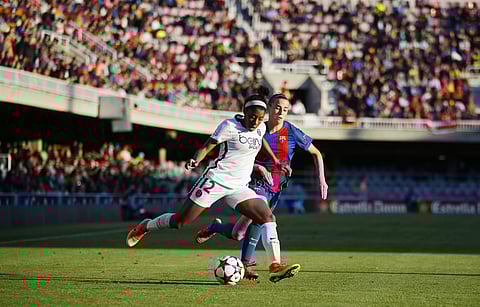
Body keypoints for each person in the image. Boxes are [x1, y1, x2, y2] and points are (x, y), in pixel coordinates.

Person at [126, 88, 301, 283]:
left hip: (239, 186)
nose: (256, 122)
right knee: (180, 221)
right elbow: (208, 145)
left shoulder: (260, 127)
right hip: (216, 181)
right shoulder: (229, 126)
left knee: (267, 215)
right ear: (245, 113)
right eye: (252, 117)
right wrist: (195, 160)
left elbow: (260, 139)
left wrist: (276, 160)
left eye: (260, 119)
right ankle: (146, 226)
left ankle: (275, 265)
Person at [195, 93, 328, 280]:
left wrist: (321, 179)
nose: (281, 112)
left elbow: (316, 153)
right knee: (263, 218)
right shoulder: (257, 127)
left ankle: (215, 228)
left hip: (276, 187)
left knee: (239, 233)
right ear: (269, 108)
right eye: (277, 107)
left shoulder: (291, 131)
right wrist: (258, 167)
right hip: (254, 182)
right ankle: (261, 265)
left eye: (285, 109)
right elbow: (241, 154)